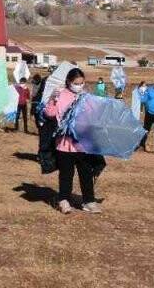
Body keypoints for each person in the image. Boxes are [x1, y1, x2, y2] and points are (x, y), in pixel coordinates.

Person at [45, 68, 105, 214]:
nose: (79, 85)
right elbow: (49, 113)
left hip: (83, 143)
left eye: (82, 83)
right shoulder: (60, 95)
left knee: (86, 173)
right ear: (69, 82)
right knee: (66, 174)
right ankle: (64, 200)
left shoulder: (86, 96)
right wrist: (52, 99)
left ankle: (89, 201)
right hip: (64, 144)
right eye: (76, 83)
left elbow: (93, 116)